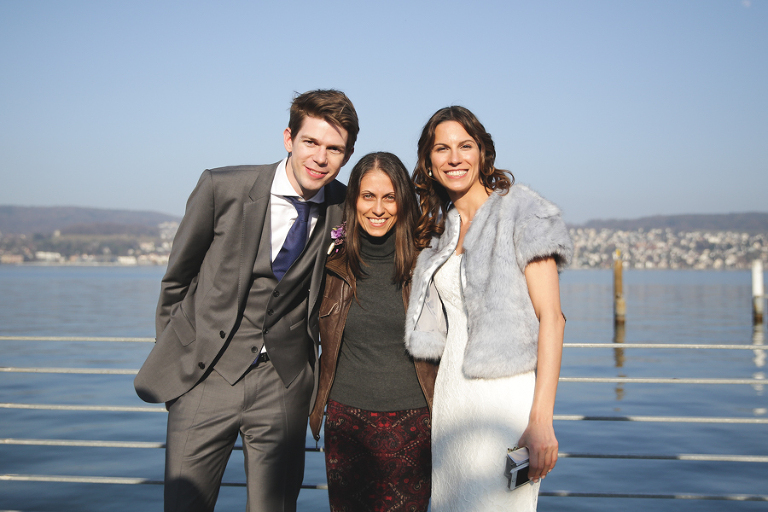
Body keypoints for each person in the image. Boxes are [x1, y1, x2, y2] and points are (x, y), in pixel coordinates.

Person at [133, 89, 359, 512]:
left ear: (346, 156)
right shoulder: (223, 187)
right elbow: (176, 281)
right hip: (205, 378)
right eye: (311, 142)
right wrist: (181, 365)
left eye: (335, 149)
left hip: (284, 383)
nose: (320, 158)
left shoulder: (344, 207)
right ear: (289, 138)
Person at [404, 106, 573, 511]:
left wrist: (541, 421)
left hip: (505, 402)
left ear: (482, 153)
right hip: (451, 401)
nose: (455, 158)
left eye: (465, 146)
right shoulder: (438, 231)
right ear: (429, 162)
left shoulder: (520, 212)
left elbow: (553, 317)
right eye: (442, 149)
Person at [309, 152, 438, 512]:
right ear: (353, 201)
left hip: (415, 420)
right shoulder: (330, 262)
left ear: (403, 202)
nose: (378, 208)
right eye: (368, 196)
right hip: (346, 420)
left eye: (389, 197)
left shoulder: (428, 261)